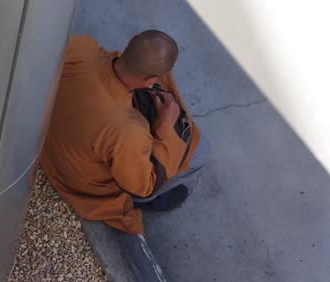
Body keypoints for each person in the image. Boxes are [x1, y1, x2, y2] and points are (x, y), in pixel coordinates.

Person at [41, 30, 210, 235]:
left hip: (47, 140)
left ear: (130, 40)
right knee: (200, 151)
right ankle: (166, 198)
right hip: (81, 183)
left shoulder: (82, 48)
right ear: (149, 80)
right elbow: (142, 186)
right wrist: (165, 127)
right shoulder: (128, 131)